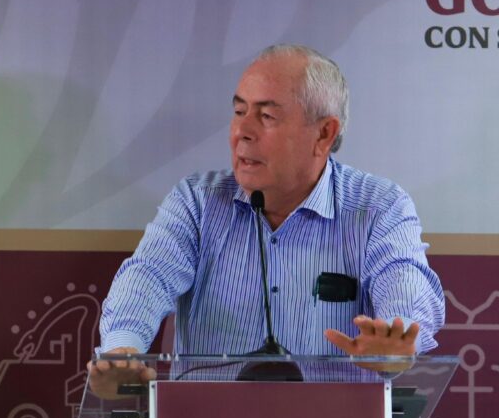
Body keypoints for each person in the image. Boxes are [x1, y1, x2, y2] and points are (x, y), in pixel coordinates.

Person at [91, 44, 445, 394]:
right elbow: (149, 275)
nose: (241, 132)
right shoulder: (197, 201)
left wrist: (397, 335)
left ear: (324, 134)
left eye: (266, 117)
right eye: (239, 111)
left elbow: (404, 277)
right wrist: (122, 349)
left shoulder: (379, 206)